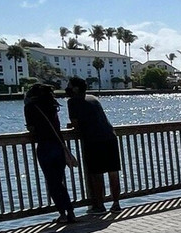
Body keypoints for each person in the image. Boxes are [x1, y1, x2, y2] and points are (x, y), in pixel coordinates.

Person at [65, 76, 122, 214]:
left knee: (96, 174)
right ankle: (116, 204)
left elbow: (76, 124)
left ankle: (99, 206)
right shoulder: (93, 98)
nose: (67, 88)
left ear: (76, 88)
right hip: (110, 136)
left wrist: (71, 126)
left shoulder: (72, 102)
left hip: (93, 140)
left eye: (69, 85)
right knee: (113, 172)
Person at [24, 84, 76, 224]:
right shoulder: (52, 105)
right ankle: (70, 212)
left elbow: (31, 128)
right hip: (58, 146)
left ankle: (63, 214)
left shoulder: (30, 107)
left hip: (45, 147)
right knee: (59, 181)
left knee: (52, 183)